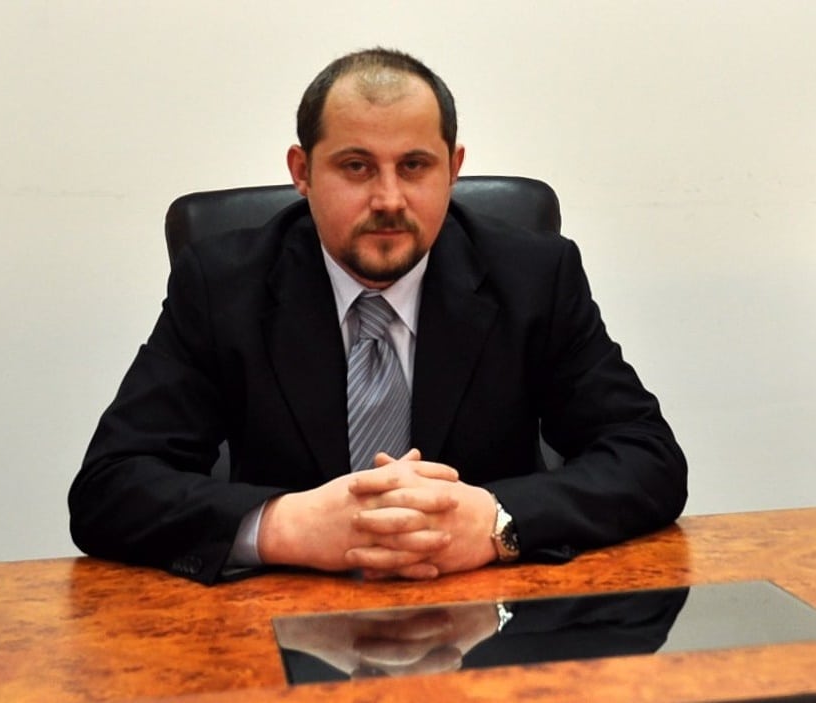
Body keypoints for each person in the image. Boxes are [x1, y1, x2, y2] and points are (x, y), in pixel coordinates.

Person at [68, 48, 687, 586]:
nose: (389, 199)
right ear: (303, 172)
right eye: (356, 167)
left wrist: (497, 521)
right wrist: (285, 526)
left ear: (454, 169)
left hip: (493, 623)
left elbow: (647, 457)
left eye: (414, 166)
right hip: (282, 628)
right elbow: (109, 489)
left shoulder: (534, 275)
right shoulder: (223, 285)